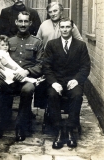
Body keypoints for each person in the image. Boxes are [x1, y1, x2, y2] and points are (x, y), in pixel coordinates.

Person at [0, 11, 44, 142]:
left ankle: (20, 127)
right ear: (16, 22)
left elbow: (41, 65)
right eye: (20, 21)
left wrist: (27, 72)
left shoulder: (37, 42)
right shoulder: (8, 41)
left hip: (25, 80)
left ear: (30, 23)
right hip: (8, 79)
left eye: (26, 22)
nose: (23, 24)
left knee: (28, 89)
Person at [43, 18, 91, 149]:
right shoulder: (52, 44)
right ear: (59, 28)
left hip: (73, 81)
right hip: (56, 81)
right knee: (52, 95)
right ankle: (58, 130)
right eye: (62, 27)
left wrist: (76, 80)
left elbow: (85, 66)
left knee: (77, 96)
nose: (64, 30)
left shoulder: (80, 45)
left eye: (67, 27)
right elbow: (46, 66)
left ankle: (70, 130)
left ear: (72, 28)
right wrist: (53, 82)